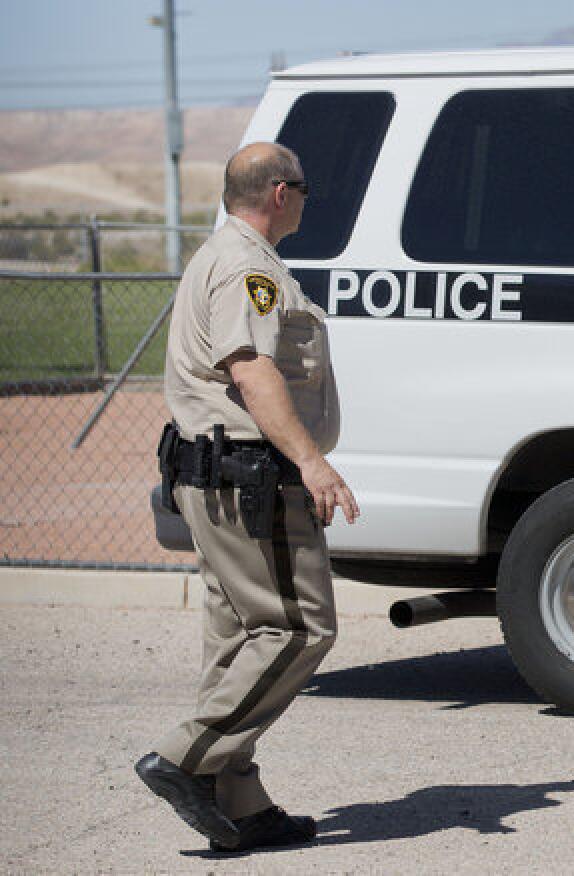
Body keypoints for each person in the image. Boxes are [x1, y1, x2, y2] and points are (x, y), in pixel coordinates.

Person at [135, 142, 359, 853]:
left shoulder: (225, 256)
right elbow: (253, 371)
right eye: (304, 191)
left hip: (221, 473)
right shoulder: (247, 266)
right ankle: (184, 758)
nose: (305, 201)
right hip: (250, 475)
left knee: (238, 635)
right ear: (280, 193)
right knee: (298, 628)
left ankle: (237, 796)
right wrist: (312, 463)